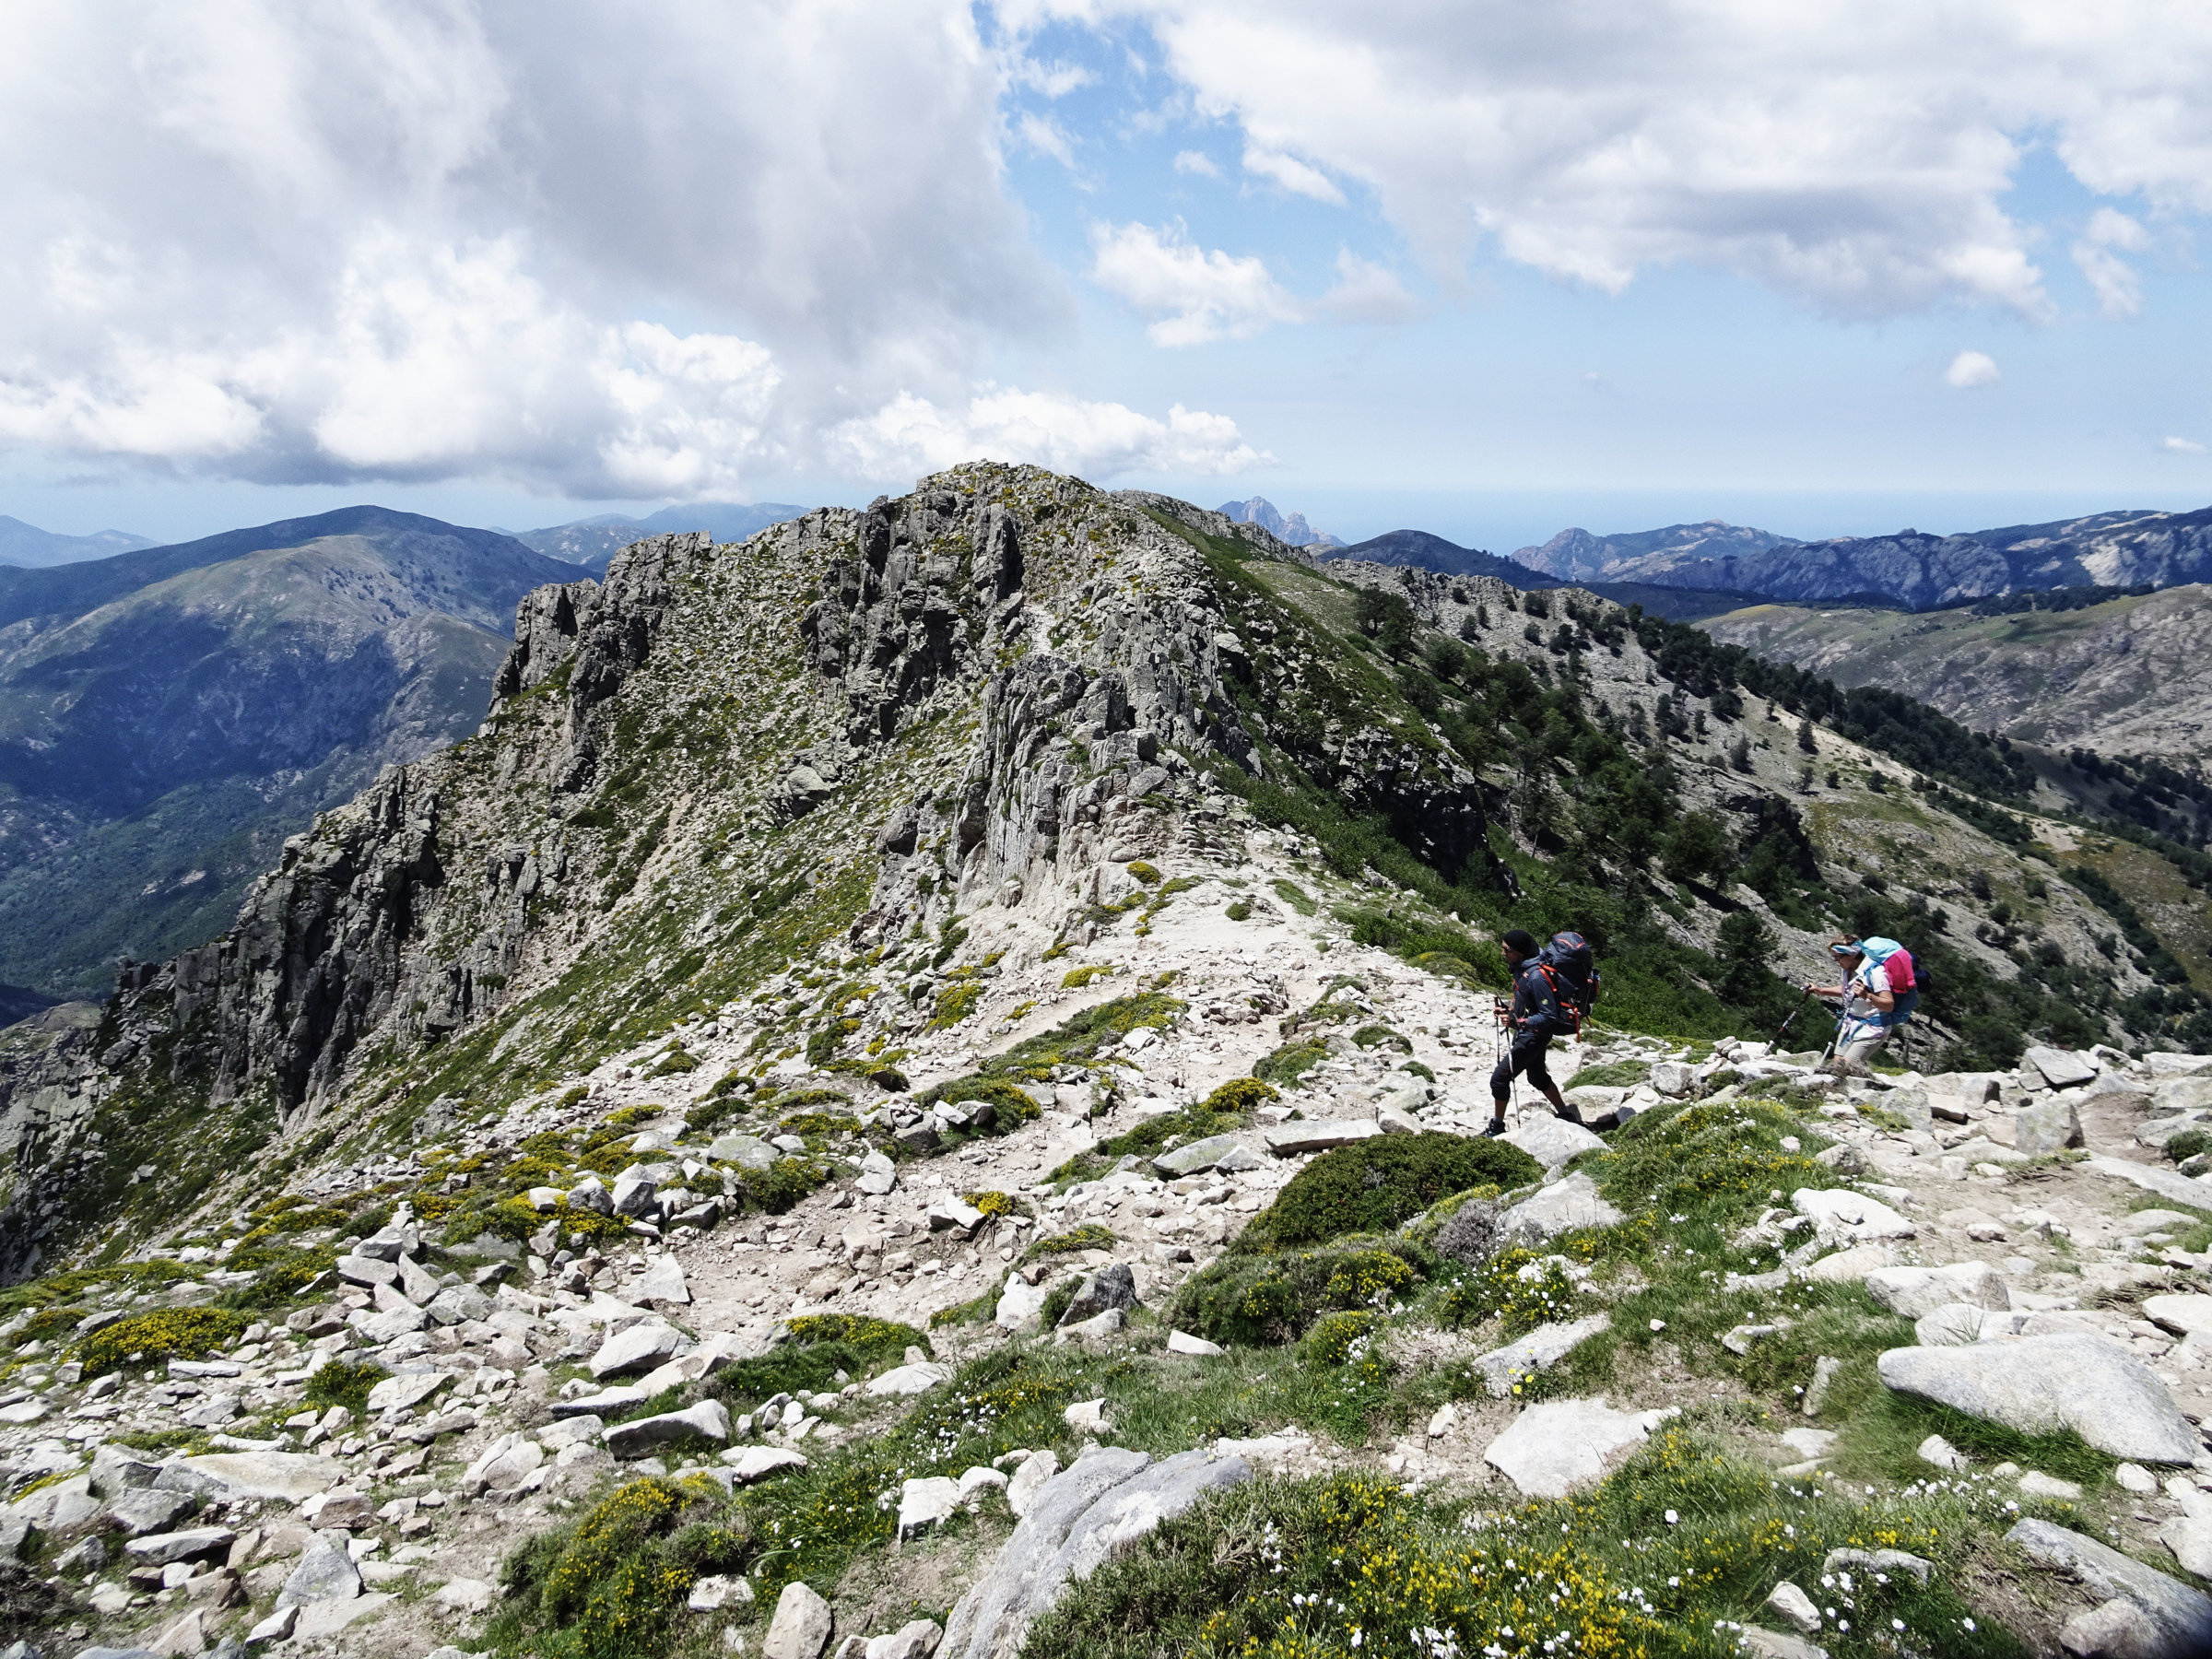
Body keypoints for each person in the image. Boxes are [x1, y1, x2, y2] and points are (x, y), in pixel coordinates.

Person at [1484, 929, 1579, 1136]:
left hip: (1534, 1035)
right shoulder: (1523, 968)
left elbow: (1549, 1015)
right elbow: (1528, 1003)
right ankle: (1564, 1114)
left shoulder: (1536, 976)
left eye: (1507, 950)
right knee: (1537, 1076)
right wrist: (1508, 1011)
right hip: (1531, 1031)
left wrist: (1517, 1022)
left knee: (1499, 1080)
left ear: (1520, 952)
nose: (1503, 954)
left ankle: (1497, 1127)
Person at [1805, 935, 1895, 1067]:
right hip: (1850, 1023)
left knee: (1846, 1067)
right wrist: (1820, 990)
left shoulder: (1876, 973)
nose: (1836, 961)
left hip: (1873, 1028)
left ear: (1851, 955)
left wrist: (1867, 996)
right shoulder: (1848, 970)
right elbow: (1847, 990)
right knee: (1837, 1064)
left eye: (1838, 957)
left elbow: (1889, 1005)